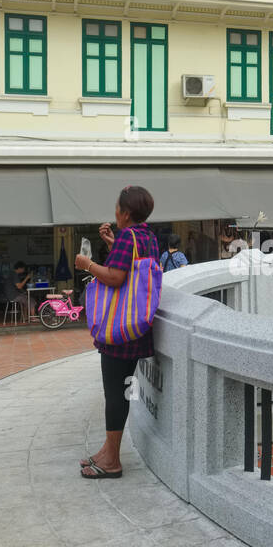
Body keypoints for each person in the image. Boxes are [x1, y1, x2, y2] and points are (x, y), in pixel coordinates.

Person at [75, 185, 159, 479]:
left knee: (114, 394)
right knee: (119, 392)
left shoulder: (128, 236)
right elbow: (134, 270)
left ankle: (111, 460)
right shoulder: (147, 236)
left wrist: (88, 264)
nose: (114, 211)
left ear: (124, 213)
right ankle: (107, 450)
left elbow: (115, 277)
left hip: (118, 330)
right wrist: (113, 245)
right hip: (138, 326)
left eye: (117, 207)